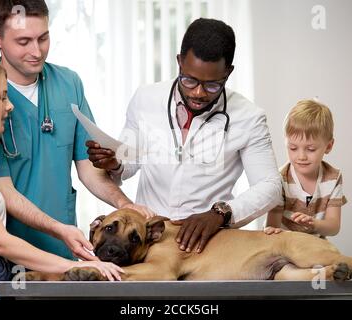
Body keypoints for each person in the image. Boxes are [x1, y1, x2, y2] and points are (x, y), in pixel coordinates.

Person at [87, 18, 282, 254]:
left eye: (212, 85)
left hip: (207, 244)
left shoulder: (249, 117)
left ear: (228, 73)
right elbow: (131, 160)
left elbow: (270, 186)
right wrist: (115, 162)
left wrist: (220, 214)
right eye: (189, 80)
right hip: (149, 241)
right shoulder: (146, 99)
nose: (198, 93)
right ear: (179, 62)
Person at [0, 56, 123, 300]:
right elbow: (0, 242)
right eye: (1, 97)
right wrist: (72, 266)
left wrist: (62, 232)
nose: (10, 106)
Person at [0, 0, 155, 261]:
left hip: (63, 249)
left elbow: (89, 169)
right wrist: (59, 230)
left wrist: (125, 205)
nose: (37, 51)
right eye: (23, 42)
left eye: (43, 38)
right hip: (8, 250)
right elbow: (4, 191)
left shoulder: (68, 84)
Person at [264, 99, 347, 237]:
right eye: (293, 148)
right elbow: (272, 227)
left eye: (310, 149)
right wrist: (273, 231)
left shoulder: (333, 178)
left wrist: (314, 223)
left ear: (328, 146)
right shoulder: (280, 179)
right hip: (285, 247)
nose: (301, 156)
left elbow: (334, 227)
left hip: (315, 247)